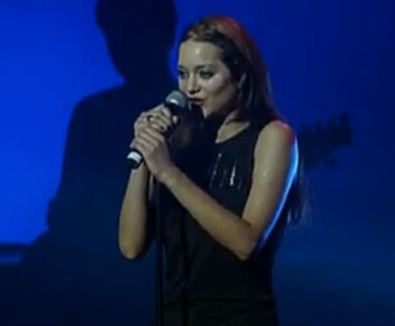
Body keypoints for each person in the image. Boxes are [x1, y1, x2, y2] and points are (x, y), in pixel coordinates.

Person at [118, 15, 306, 326]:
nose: (190, 87)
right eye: (182, 74)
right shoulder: (181, 142)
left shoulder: (273, 137)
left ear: (240, 76)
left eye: (205, 75)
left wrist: (168, 173)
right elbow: (130, 245)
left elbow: (246, 243)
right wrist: (146, 151)